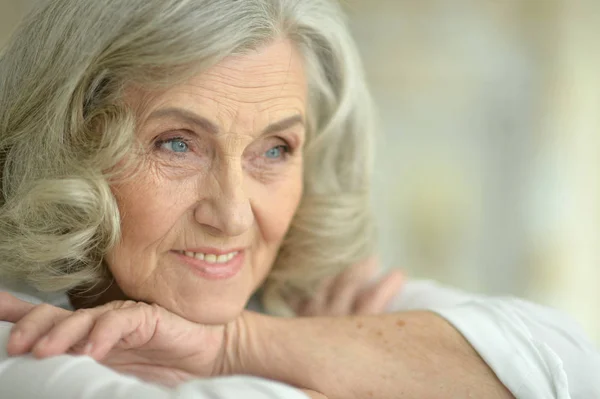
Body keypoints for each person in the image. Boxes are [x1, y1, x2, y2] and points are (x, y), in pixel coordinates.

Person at [0, 0, 598, 398]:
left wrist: (238, 345)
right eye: (177, 144)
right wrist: (344, 366)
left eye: (275, 150)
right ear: (65, 146)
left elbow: (570, 368)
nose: (232, 215)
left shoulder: (313, 302)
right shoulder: (22, 352)